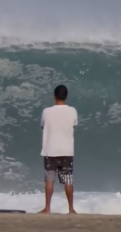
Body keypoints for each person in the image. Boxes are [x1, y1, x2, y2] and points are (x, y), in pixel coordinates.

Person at [39, 85, 78, 214]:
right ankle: (71, 209)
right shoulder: (72, 111)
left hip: (51, 151)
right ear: (66, 96)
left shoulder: (46, 111)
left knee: (49, 180)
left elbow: (42, 126)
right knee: (68, 180)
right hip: (66, 151)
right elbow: (74, 125)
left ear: (54, 96)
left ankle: (47, 208)